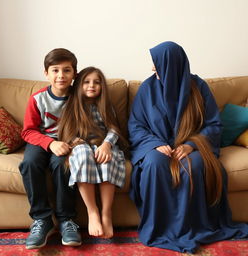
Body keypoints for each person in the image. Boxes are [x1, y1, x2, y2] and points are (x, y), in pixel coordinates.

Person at [128, 41, 248, 253]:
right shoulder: (147, 89)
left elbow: (213, 124)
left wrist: (192, 145)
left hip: (191, 146)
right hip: (157, 147)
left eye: (158, 63)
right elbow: (136, 126)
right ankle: (160, 228)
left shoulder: (198, 87)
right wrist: (155, 145)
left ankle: (194, 227)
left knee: (196, 166)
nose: (152, 68)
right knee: (154, 166)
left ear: (173, 64)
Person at [19, 48, 82, 249]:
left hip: (67, 143)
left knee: (62, 165)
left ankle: (66, 220)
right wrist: (50, 143)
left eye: (66, 70)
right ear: (46, 73)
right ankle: (42, 219)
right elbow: (28, 131)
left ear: (75, 74)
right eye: (55, 70)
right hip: (41, 141)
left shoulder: (79, 98)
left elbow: (87, 125)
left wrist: (72, 143)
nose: (61, 76)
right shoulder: (37, 99)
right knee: (29, 163)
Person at [57, 66, 127, 239]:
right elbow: (66, 131)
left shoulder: (105, 106)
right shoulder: (71, 105)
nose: (92, 86)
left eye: (97, 82)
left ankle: (106, 213)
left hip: (103, 144)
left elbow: (113, 129)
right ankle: (92, 212)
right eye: (87, 82)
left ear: (102, 86)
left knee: (107, 159)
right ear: (79, 85)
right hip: (81, 146)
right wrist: (73, 141)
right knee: (83, 153)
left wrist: (107, 145)